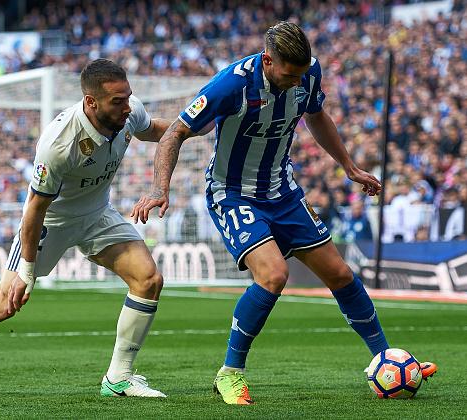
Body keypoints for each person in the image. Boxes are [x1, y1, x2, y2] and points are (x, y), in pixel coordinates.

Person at [132, 22, 437, 405]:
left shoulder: (308, 72)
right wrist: (160, 189)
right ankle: (230, 373)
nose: (297, 82)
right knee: (274, 275)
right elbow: (175, 131)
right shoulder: (231, 84)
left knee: (341, 274)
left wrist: (349, 167)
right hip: (233, 195)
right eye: (289, 75)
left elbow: (316, 115)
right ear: (267, 61)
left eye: (301, 74)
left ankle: (386, 359)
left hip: (284, 191)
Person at [0, 59, 171, 399]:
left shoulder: (129, 112)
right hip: (51, 224)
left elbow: (156, 130)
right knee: (4, 305)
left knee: (148, 280)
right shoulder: (58, 144)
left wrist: (198, 124)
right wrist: (25, 271)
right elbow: (34, 210)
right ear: (91, 102)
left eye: (128, 96)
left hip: (97, 214)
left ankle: (118, 377)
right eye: (117, 101)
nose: (126, 106)